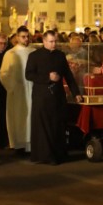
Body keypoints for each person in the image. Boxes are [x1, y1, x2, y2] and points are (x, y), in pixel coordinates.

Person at [25, 30, 83, 165]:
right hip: (42, 96)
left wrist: (76, 93)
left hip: (57, 96)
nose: (53, 44)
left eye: (55, 41)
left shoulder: (60, 56)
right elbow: (29, 75)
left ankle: (58, 154)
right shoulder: (34, 56)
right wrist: (47, 78)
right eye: (51, 41)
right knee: (44, 127)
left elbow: (68, 75)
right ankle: (45, 155)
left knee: (57, 125)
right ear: (44, 41)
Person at [0, 26, 35, 154]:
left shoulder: (33, 51)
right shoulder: (11, 53)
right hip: (18, 92)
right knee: (19, 117)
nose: (26, 39)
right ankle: (19, 144)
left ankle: (31, 144)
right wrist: (12, 87)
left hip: (32, 89)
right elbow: (4, 73)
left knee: (31, 117)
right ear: (17, 37)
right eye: (23, 37)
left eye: (27, 36)